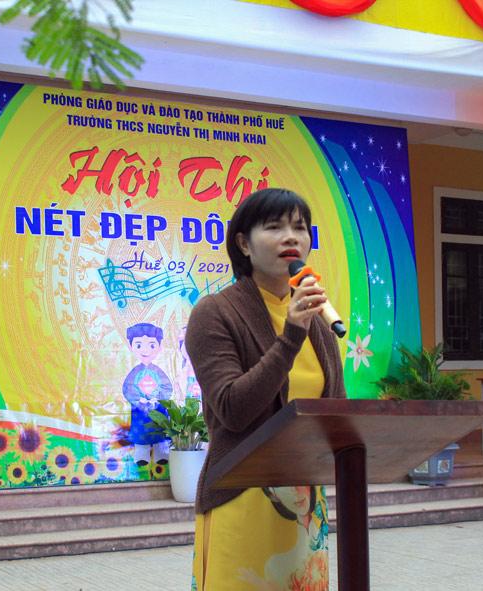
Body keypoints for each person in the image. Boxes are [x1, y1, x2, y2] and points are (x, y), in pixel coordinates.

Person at [185, 188, 346, 590]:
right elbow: (233, 408)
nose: (291, 237)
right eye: (274, 227)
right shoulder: (215, 313)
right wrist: (290, 336)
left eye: (300, 227)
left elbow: (336, 414)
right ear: (244, 244)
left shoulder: (319, 321)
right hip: (241, 496)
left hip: (305, 506)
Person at [122, 322, 173, 469]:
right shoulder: (134, 372)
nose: (145, 350)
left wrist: (158, 399)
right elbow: (127, 388)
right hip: (140, 411)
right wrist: (139, 400)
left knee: (159, 433)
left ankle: (161, 454)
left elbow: (167, 387)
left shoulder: (159, 371)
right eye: (139, 345)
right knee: (141, 433)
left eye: (151, 345)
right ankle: (142, 455)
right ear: (131, 346)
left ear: (159, 347)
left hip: (158, 409)